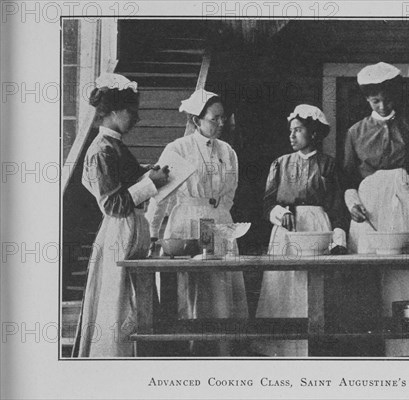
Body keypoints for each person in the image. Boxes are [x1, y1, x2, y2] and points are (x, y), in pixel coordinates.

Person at [342, 62, 409, 356]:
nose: (382, 105)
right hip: (369, 206)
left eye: (387, 98)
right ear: (367, 100)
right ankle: (369, 343)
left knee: (408, 265)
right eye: (375, 100)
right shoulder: (356, 132)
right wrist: (352, 203)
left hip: (404, 202)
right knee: (369, 269)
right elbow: (347, 178)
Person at [145, 89, 248, 355]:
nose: (221, 123)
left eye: (223, 118)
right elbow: (160, 197)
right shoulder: (177, 149)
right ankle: (191, 350)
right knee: (191, 290)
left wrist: (217, 219)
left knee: (221, 290)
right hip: (187, 221)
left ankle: (223, 349)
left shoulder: (228, 151)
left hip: (218, 222)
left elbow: (229, 193)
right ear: (196, 120)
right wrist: (151, 233)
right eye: (215, 119)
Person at [77, 73, 169, 357]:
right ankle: (115, 356)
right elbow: (113, 204)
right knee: (118, 300)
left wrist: (145, 172)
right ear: (115, 111)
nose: (137, 118)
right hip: (119, 230)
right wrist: (151, 183)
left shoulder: (114, 146)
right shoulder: (101, 150)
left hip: (132, 228)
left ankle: (136, 354)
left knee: (134, 295)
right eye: (132, 112)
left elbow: (126, 180)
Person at [253, 105, 348, 356]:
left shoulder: (328, 165)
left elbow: (338, 207)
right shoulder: (280, 164)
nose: (292, 136)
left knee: (312, 286)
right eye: (290, 131)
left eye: (298, 130)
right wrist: (280, 213)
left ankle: (314, 350)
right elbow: (267, 203)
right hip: (286, 232)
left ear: (314, 133)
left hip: (317, 227)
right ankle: (281, 349)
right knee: (284, 288)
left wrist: (338, 239)